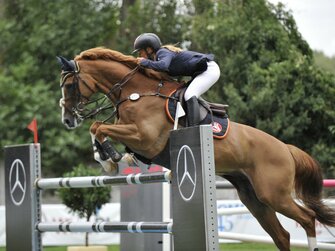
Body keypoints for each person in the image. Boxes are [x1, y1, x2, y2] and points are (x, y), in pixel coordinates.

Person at [133, 33, 220, 126]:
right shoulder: (159, 57)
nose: (139, 55)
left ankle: (194, 129)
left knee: (189, 95)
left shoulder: (162, 52)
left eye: (140, 52)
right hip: (202, 72)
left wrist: (145, 62)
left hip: (209, 70)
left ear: (149, 50)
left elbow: (163, 66)